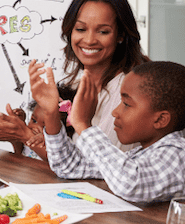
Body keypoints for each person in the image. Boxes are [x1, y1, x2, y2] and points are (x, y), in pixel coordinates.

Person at [0, 0, 148, 155]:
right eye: (80, 29)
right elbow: (66, 157)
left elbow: (99, 167)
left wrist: (24, 135)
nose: (89, 40)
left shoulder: (124, 91)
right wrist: (19, 134)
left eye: (103, 31)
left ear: (120, 36)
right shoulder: (77, 84)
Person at [29, 60, 185, 203]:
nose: (115, 112)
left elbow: (130, 185)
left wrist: (83, 125)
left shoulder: (178, 154)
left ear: (160, 120)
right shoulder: (139, 156)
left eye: (126, 104)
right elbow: (69, 166)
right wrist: (51, 114)